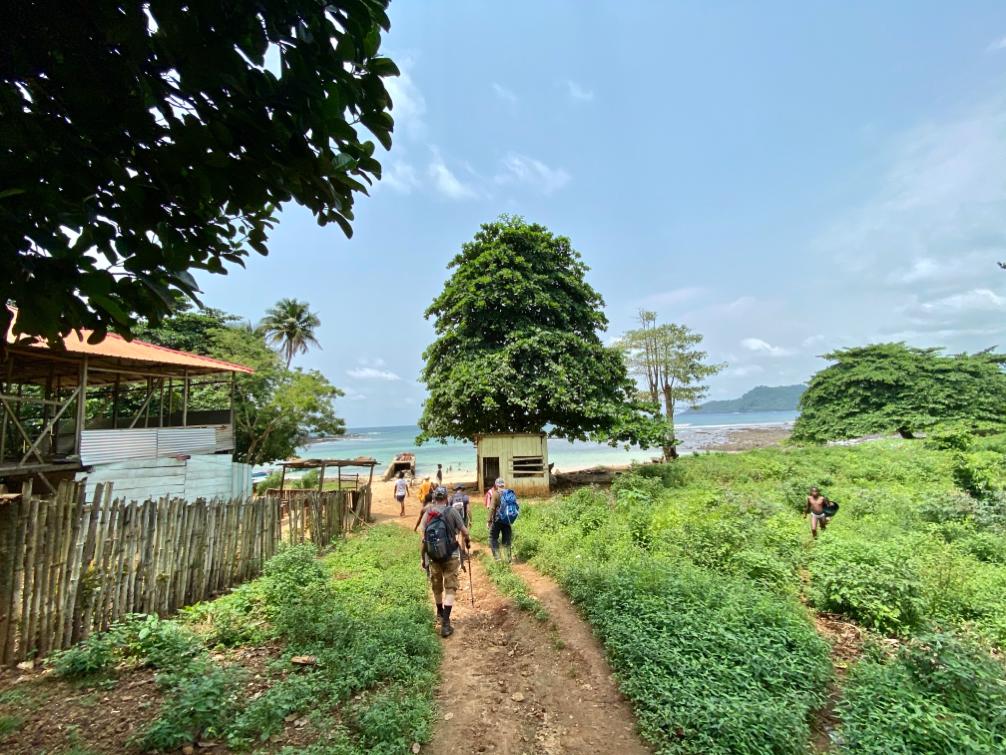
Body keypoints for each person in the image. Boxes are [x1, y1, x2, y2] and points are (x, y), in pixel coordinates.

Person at [420, 486, 470, 637]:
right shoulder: (452, 511)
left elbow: (423, 538)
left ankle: (440, 613)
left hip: (433, 556)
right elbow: (464, 531)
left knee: (436, 586)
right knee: (450, 587)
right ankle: (446, 623)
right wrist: (467, 541)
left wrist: (423, 558)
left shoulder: (428, 512)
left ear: (434, 498)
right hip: (451, 555)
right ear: (447, 498)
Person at [487, 477, 513, 561]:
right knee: (507, 540)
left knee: (493, 538)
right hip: (507, 520)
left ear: (496, 485)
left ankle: (497, 557)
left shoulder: (495, 494)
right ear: (504, 485)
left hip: (497, 521)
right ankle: (508, 558)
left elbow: (492, 508)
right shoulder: (509, 493)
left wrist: (489, 520)